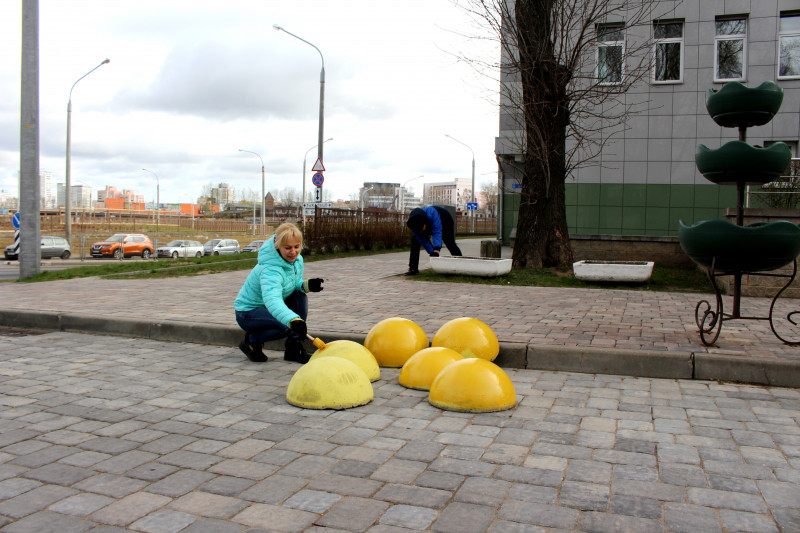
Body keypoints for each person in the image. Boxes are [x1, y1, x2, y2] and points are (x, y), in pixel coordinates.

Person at [233, 223, 324, 363]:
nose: (293, 252)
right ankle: (251, 341)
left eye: (296, 246)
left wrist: (306, 285)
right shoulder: (270, 270)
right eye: (287, 248)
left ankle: (293, 349)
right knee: (287, 324)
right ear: (277, 246)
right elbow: (272, 300)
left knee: (299, 296)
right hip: (248, 313)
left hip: (267, 308)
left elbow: (291, 284)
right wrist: (293, 320)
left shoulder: (296, 260)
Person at [405, 205, 462, 275]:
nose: (421, 232)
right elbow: (422, 239)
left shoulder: (432, 213)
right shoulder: (413, 223)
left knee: (450, 243)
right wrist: (432, 252)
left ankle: (461, 265)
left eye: (422, 229)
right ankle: (413, 269)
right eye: (419, 231)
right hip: (427, 224)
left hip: (445, 219)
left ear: (424, 223)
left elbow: (436, 232)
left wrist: (436, 250)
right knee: (415, 240)